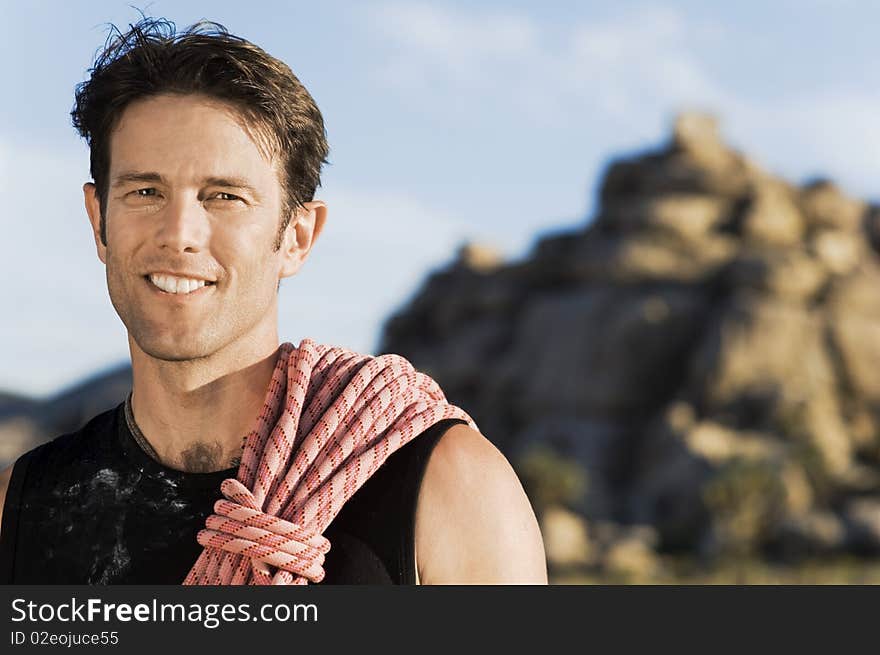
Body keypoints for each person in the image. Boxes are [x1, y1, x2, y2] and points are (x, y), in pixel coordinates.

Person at [0, 18, 546, 585]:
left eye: (225, 196)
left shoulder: (448, 489)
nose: (179, 232)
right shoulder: (21, 507)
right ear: (98, 221)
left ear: (297, 237)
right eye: (145, 192)